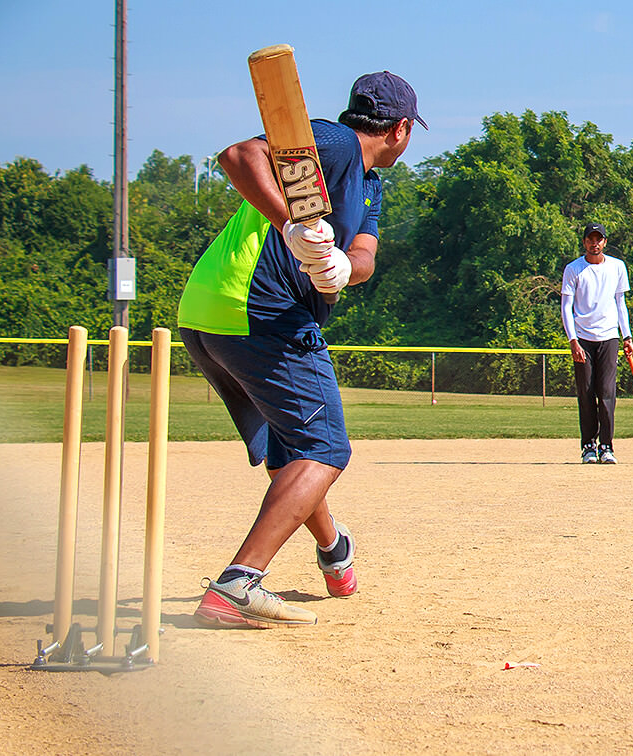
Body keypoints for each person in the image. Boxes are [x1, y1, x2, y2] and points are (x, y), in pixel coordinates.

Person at [176, 71, 426, 628]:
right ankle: (238, 584)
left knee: (295, 450)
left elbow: (365, 255)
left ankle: (334, 549)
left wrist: (341, 268)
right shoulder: (335, 144)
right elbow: (240, 155)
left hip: (210, 310)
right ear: (401, 128)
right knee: (325, 448)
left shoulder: (369, 185)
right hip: (259, 307)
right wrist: (289, 222)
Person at [560, 223, 633, 465]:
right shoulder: (574, 269)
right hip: (583, 338)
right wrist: (573, 340)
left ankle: (607, 446)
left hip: (609, 337)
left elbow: (620, 304)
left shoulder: (617, 267)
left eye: (598, 239)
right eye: (590, 239)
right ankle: (589, 446)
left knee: (606, 393)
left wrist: (627, 336)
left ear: (604, 242)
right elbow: (566, 308)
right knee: (586, 393)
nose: (595, 243)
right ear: (584, 242)